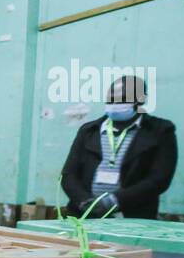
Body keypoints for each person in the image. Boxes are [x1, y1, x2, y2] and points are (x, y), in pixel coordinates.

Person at [60, 76, 176, 219]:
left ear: (140, 99)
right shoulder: (89, 131)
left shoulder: (160, 131)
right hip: (85, 215)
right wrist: (85, 202)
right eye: (110, 100)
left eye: (121, 99)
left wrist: (113, 202)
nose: (114, 104)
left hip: (133, 217)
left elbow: (159, 179)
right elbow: (68, 175)